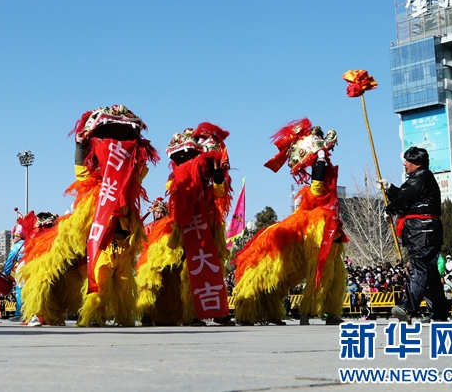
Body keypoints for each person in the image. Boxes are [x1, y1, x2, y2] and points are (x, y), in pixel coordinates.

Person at [20, 105, 158, 327]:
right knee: (99, 280)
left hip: (122, 243)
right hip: (101, 243)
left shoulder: (128, 184)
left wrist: (137, 146)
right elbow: (82, 172)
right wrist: (80, 145)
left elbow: (138, 169)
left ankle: (124, 317)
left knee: (124, 284)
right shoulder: (95, 185)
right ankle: (94, 316)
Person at [233, 119, 347, 326]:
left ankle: (330, 311)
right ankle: (256, 308)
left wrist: (322, 157)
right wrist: (320, 157)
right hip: (316, 223)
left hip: (331, 222)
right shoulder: (319, 166)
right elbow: (317, 189)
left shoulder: (326, 164)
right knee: (307, 264)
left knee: (335, 269)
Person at [136, 123, 234, 327]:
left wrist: (216, 173)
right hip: (179, 228)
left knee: (204, 269)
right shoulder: (176, 178)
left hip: (206, 227)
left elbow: (220, 195)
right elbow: (176, 195)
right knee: (155, 269)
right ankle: (146, 311)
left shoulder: (210, 179)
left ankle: (208, 311)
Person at [378, 146, 447, 324]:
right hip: (424, 230)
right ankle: (439, 312)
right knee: (430, 274)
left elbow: (404, 198)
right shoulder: (420, 178)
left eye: (407, 160)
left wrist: (390, 209)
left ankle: (407, 308)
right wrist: (390, 189)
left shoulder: (421, 176)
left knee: (419, 268)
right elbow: (406, 195)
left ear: (417, 163)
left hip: (422, 230)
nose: (404, 164)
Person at [3, 218, 27, 322]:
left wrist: (5, 273)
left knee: (20, 291)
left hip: (23, 268)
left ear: (18, 236)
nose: (13, 238)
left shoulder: (16, 246)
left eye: (14, 236)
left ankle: (19, 314)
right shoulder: (30, 242)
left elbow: (10, 261)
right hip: (36, 268)